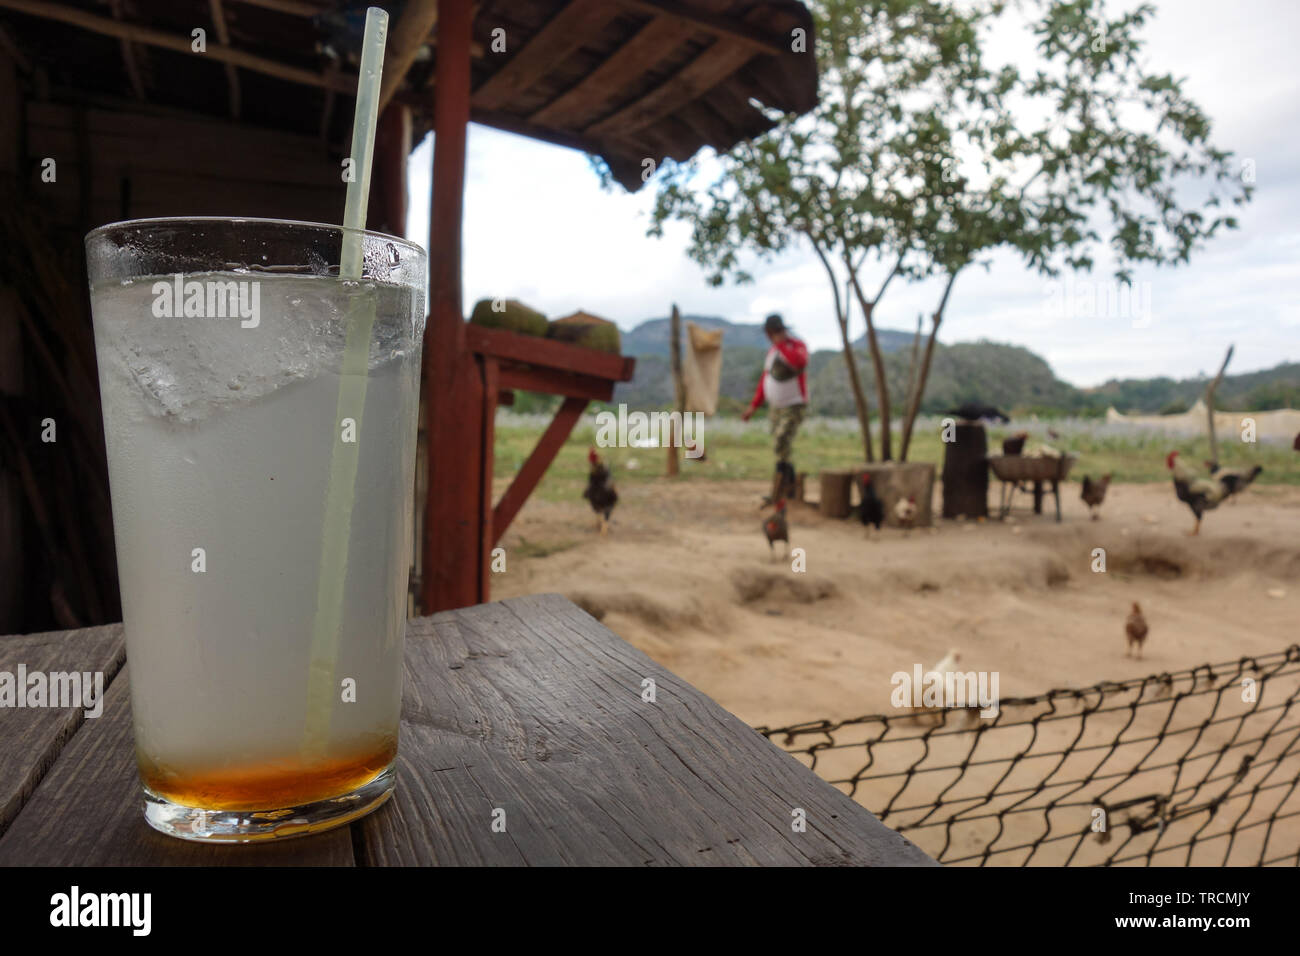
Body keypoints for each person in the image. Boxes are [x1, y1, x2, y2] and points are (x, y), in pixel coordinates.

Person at [742, 313, 809, 501]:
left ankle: (787, 489)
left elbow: (800, 362)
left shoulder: (797, 347)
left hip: (793, 405)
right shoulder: (772, 353)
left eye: (772, 332)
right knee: (780, 448)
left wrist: (781, 345)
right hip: (775, 407)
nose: (770, 336)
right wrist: (753, 407)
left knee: (781, 441)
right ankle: (784, 490)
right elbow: (765, 380)